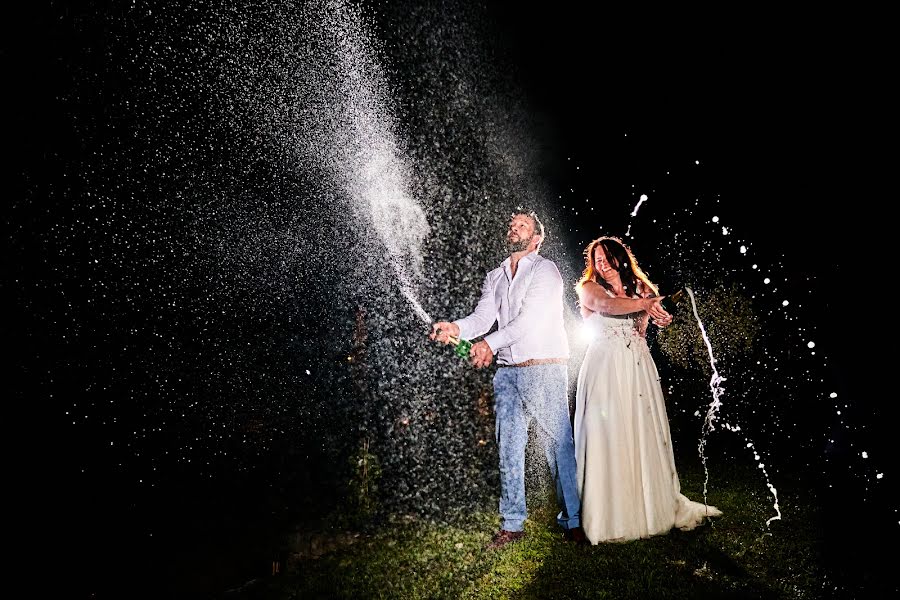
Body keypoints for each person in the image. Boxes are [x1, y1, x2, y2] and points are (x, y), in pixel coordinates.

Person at [430, 210, 585, 549]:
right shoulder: (495, 275)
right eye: (511, 224)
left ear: (536, 238)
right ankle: (513, 524)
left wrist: (488, 344)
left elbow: (529, 321)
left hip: (544, 368)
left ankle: (574, 520)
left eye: (523, 225)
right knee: (508, 448)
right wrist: (457, 329)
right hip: (507, 375)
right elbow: (484, 317)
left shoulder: (546, 271)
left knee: (557, 448)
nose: (514, 228)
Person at [574, 235, 722, 544]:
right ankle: (609, 515)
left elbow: (657, 317)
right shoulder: (589, 289)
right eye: (596, 259)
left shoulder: (641, 288)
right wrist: (645, 304)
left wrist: (661, 315)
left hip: (638, 367)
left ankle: (651, 509)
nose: (601, 264)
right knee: (609, 434)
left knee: (644, 433)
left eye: (606, 257)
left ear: (620, 258)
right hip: (605, 368)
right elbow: (607, 305)